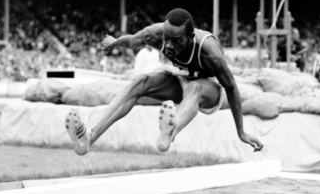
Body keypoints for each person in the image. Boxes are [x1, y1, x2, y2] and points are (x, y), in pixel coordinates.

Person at [64, 8, 263, 156]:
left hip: (208, 87)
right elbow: (133, 41)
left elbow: (231, 87)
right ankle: (90, 136)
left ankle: (170, 132)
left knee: (194, 87)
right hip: (179, 77)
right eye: (167, 39)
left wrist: (241, 131)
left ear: (190, 37)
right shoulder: (156, 33)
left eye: (177, 41)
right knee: (140, 82)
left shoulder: (209, 52)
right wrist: (115, 42)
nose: (168, 46)